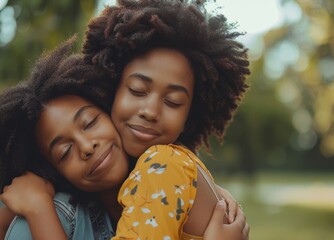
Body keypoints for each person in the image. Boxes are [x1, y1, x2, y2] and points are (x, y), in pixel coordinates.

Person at [0, 39, 247, 239]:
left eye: (90, 122)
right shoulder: (97, 211)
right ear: (53, 172)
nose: (87, 146)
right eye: (64, 152)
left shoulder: (161, 164)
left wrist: (39, 209)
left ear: (108, 106)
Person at [82, 0, 250, 239]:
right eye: (138, 90)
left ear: (188, 118)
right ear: (112, 90)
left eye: (172, 102)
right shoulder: (177, 168)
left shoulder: (161, 164)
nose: (150, 111)